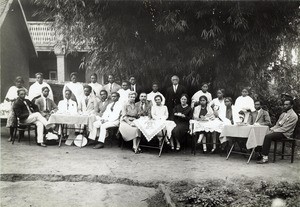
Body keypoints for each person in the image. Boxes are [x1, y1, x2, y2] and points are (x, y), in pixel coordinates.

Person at [257, 99, 298, 164]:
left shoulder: (294, 116)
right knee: (262, 133)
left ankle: (265, 158)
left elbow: (286, 128)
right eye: (284, 104)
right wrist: (271, 129)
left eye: (287, 104)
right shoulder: (283, 114)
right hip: (278, 131)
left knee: (268, 137)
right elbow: (277, 124)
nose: (285, 106)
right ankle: (259, 153)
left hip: (285, 133)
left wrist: (274, 131)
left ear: (291, 105)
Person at [4, 76, 28, 142]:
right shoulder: (12, 88)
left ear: (22, 83)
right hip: (13, 106)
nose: (19, 83)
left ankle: (21, 134)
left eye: (20, 82)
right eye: (18, 82)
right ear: (15, 82)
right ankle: (11, 136)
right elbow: (7, 98)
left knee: (23, 116)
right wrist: (11, 99)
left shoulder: (24, 90)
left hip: (22, 107)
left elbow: (27, 99)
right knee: (12, 117)